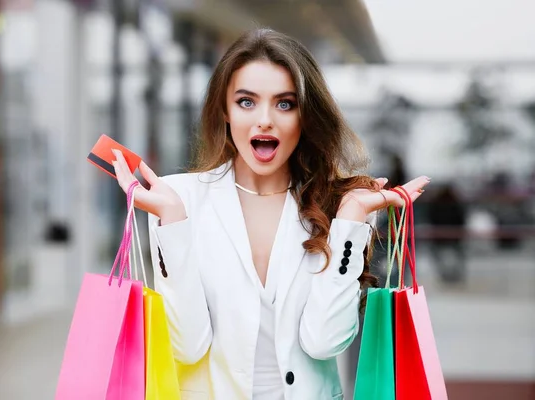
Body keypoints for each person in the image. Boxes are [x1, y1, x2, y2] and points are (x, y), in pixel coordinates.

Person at [111, 29, 429, 400]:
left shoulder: (339, 206)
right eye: (247, 102)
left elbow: (325, 342)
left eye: (285, 104)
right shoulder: (177, 199)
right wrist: (172, 221)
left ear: (306, 116)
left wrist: (351, 219)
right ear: (224, 111)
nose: (264, 120)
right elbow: (186, 347)